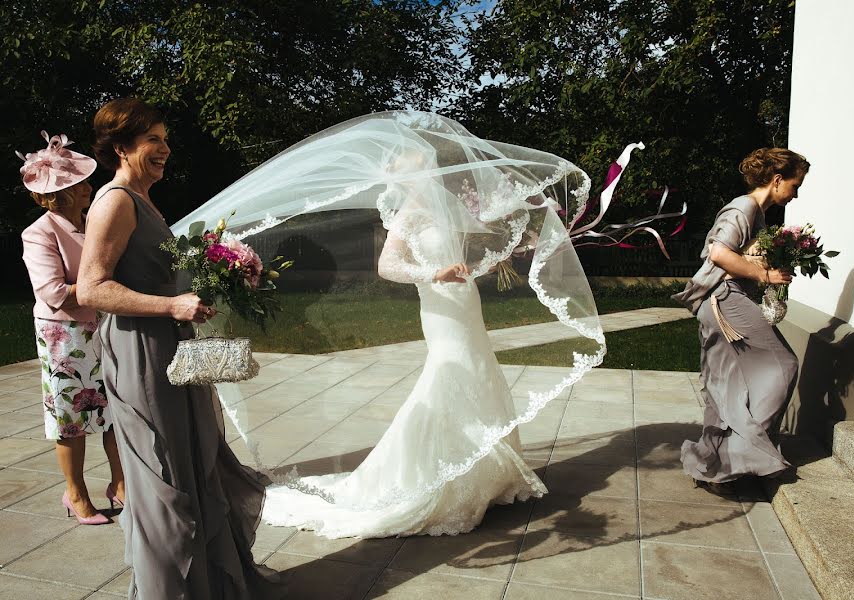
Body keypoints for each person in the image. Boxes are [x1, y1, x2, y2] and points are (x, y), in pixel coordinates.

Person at [173, 111, 606, 539]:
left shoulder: (445, 203)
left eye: (421, 157)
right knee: (451, 372)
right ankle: (441, 477)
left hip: (463, 301)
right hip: (438, 305)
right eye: (412, 158)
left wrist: (503, 246)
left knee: (478, 370)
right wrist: (433, 274)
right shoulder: (408, 213)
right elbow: (388, 266)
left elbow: (472, 243)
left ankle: (485, 473)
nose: (424, 160)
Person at [77, 98, 281, 598]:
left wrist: (206, 289)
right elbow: (91, 289)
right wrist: (169, 307)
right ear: (121, 147)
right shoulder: (115, 201)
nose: (165, 149)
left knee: (194, 459)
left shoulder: (144, 200)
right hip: (141, 351)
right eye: (153, 139)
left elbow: (146, 276)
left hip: (169, 347)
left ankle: (208, 585)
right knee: (163, 471)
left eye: (166, 138)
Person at [673, 147, 810, 494]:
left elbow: (736, 252)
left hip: (725, 299)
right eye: (795, 185)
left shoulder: (757, 214)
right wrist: (765, 276)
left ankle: (716, 465)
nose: (796, 193)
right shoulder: (745, 206)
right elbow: (719, 253)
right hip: (725, 299)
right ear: (777, 180)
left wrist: (765, 266)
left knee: (727, 383)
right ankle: (740, 458)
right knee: (784, 365)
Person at [18, 131, 125, 526]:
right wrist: (104, 289)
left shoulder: (91, 223)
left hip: (103, 327)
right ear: (56, 194)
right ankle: (75, 493)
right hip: (64, 336)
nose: (89, 187)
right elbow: (53, 292)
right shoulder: (39, 232)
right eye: (79, 183)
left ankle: (120, 483)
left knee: (115, 408)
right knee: (71, 418)